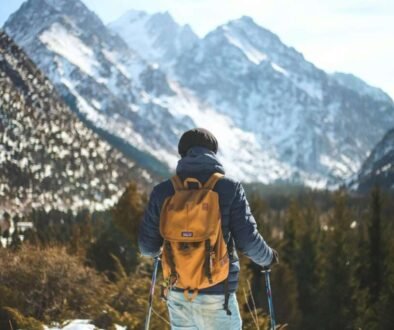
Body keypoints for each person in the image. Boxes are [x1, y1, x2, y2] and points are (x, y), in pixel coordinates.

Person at [138, 128, 278, 330]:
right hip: (218, 294)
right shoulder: (229, 189)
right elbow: (248, 241)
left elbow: (147, 248)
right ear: (213, 153)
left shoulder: (163, 192)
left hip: (178, 291)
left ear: (182, 153)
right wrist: (268, 258)